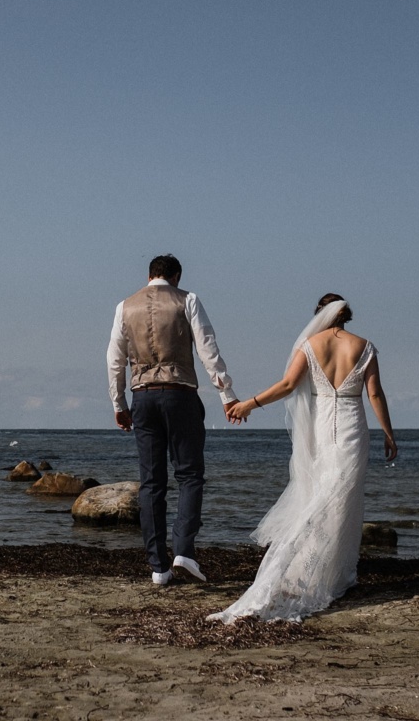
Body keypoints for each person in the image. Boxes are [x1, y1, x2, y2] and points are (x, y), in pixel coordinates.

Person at [209, 293, 397, 622]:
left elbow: (287, 384)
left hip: (322, 432)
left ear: (320, 315)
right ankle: (315, 571)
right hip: (353, 431)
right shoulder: (364, 346)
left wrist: (248, 404)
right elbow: (375, 393)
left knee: (323, 497)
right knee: (340, 503)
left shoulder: (310, 345)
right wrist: (389, 433)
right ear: (345, 316)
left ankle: (327, 573)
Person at [107, 254, 239, 586]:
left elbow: (114, 359)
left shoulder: (125, 306)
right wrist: (226, 394)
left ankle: (158, 568)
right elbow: (208, 349)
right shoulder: (187, 300)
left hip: (142, 396)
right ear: (176, 276)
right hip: (179, 393)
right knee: (190, 475)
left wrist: (118, 403)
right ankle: (183, 551)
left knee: (152, 482)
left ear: (150, 275)